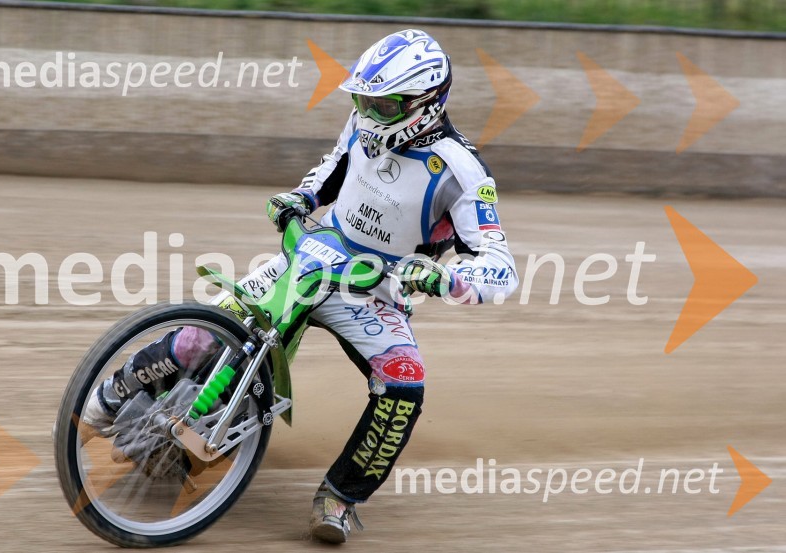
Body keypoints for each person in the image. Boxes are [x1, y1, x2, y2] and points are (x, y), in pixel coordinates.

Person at [83, 29, 518, 544]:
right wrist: (299, 198)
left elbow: (500, 266)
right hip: (315, 254)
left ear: (423, 104)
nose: (367, 110)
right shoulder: (362, 123)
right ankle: (109, 396)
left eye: (381, 103)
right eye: (362, 98)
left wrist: (447, 277)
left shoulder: (464, 172)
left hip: (374, 289)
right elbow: (331, 173)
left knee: (404, 384)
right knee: (207, 331)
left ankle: (340, 496)